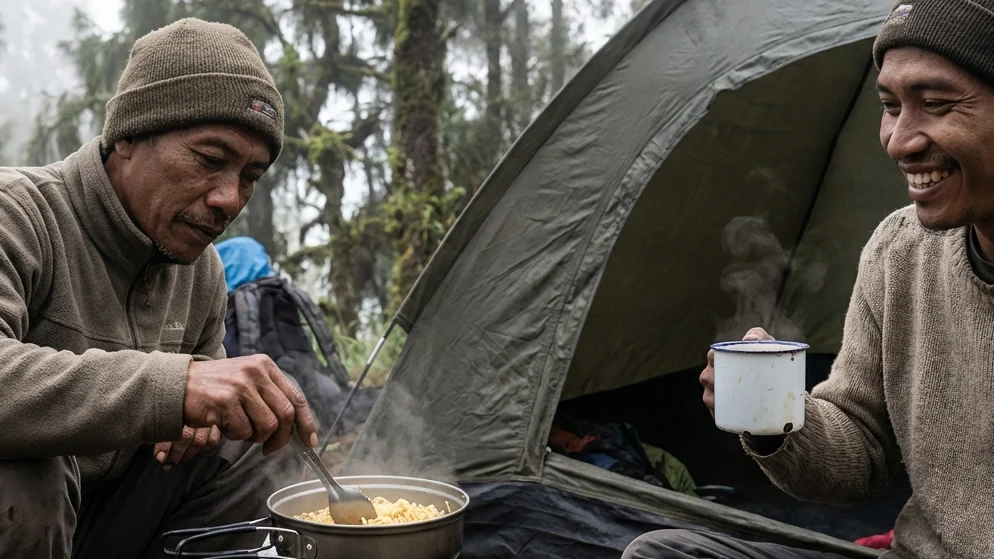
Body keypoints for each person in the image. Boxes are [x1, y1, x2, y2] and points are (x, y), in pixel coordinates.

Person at [624, 1, 994, 558]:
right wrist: (777, 419)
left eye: (936, 104)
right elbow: (859, 452)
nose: (899, 141)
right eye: (890, 107)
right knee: (663, 554)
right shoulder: (900, 251)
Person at [0, 18, 320, 559]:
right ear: (127, 136)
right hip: (28, 517)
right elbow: (174, 387)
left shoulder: (201, 272)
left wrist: (199, 422)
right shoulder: (18, 215)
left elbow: (201, 407)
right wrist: (175, 388)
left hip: (103, 523)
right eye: (211, 160)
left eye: (250, 176)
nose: (229, 198)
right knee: (26, 479)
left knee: (257, 443)